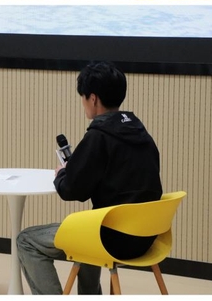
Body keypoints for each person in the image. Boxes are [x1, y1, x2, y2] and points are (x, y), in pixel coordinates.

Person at [16, 61, 163, 294]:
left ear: (93, 98)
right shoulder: (142, 133)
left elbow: (72, 190)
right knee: (90, 222)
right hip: (147, 237)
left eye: (83, 97)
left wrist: (62, 174)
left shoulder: (99, 136)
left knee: (26, 240)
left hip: (111, 239)